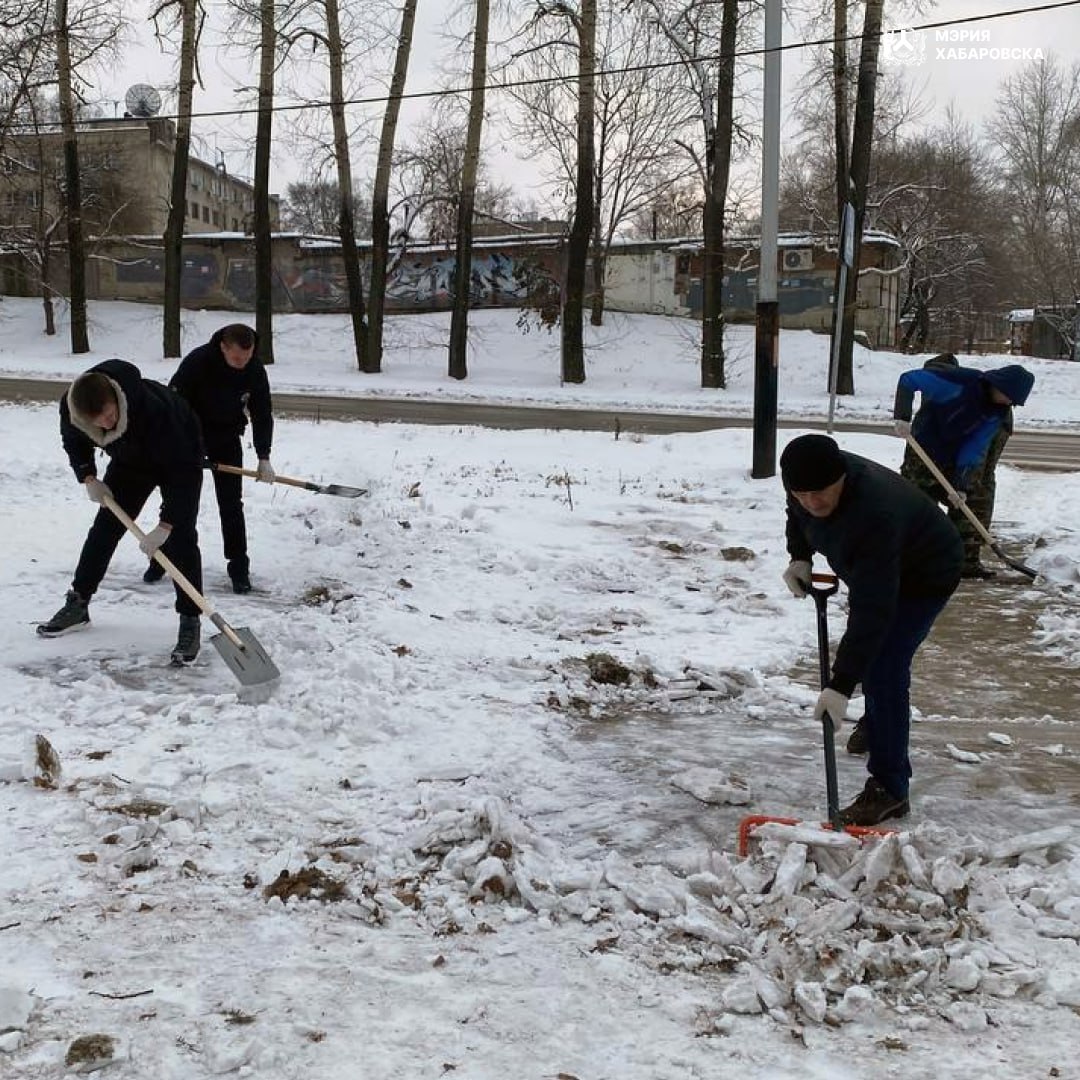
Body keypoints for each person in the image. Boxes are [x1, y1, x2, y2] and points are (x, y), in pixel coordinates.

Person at [780, 434, 962, 827]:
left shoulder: (874, 514)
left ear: (842, 477)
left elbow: (874, 609)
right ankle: (878, 723)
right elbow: (796, 514)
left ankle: (890, 788)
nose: (812, 503)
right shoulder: (801, 479)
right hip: (877, 568)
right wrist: (800, 556)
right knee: (873, 657)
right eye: (802, 493)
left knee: (885, 668)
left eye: (821, 493)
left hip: (926, 573)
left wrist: (841, 684)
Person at [37, 360, 206, 664]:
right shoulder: (73, 408)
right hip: (131, 461)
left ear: (117, 399)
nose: (106, 425)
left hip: (181, 455)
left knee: (182, 540)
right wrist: (88, 475)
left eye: (111, 416)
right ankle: (78, 602)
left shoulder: (157, 411)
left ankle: (190, 619)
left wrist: (166, 526)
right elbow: (74, 440)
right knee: (105, 528)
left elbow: (183, 473)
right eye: (98, 422)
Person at [143, 323, 274, 594]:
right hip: (190, 436)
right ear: (223, 348)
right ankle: (163, 558)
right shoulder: (197, 363)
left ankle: (238, 567)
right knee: (180, 500)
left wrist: (264, 456)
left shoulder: (254, 370)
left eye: (247, 358)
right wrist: (184, 447)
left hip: (227, 438)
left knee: (231, 503)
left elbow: (262, 413)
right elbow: (174, 407)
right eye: (237, 358)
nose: (242, 364)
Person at [892, 359, 1034, 580]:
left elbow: (974, 448)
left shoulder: (997, 412)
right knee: (918, 503)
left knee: (968, 501)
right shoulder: (960, 381)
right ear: (1000, 386)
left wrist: (962, 484)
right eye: (1009, 397)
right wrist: (902, 416)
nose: (1009, 403)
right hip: (923, 449)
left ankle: (962, 562)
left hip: (954, 454)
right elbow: (908, 380)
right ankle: (911, 560)